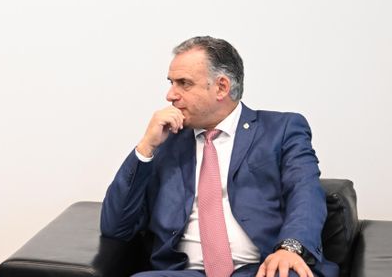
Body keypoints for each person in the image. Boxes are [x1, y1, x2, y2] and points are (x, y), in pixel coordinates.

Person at [100, 36, 337, 277]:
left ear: (222, 87)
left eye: (184, 83)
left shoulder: (281, 129)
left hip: (263, 270)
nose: (170, 95)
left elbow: (305, 192)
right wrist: (146, 147)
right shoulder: (166, 142)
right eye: (171, 82)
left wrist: (290, 248)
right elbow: (115, 228)